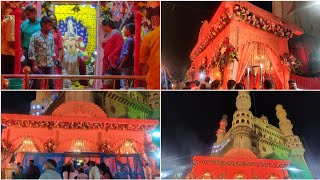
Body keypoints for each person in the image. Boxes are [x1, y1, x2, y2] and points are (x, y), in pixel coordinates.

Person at [28, 16, 55, 89]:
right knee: (37, 85)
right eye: (49, 25)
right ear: (43, 25)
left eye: (51, 25)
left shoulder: (51, 36)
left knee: (52, 84)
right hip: (39, 65)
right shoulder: (35, 36)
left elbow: (52, 50)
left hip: (50, 64)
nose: (51, 27)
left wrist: (54, 63)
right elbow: (31, 51)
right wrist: (34, 65)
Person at [140, 6, 160, 89]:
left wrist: (146, 79)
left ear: (155, 18)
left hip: (154, 83)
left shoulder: (149, 36)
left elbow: (142, 62)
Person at [101, 18, 124, 89]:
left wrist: (110, 57)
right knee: (107, 81)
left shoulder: (117, 34)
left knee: (111, 83)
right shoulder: (109, 35)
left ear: (107, 25)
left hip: (111, 63)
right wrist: (102, 43)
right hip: (107, 62)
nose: (102, 28)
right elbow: (107, 48)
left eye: (103, 26)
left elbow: (119, 47)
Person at [21, 5, 41, 72]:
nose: (27, 17)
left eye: (29, 15)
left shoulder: (42, 23)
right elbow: (20, 38)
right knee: (26, 71)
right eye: (26, 15)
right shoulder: (23, 25)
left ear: (35, 12)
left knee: (38, 73)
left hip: (40, 51)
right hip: (27, 51)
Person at [116, 23, 135, 89]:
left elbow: (126, 55)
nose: (123, 31)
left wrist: (121, 65)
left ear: (128, 30)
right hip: (128, 65)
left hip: (126, 65)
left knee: (124, 83)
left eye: (124, 29)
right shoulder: (131, 40)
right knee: (126, 82)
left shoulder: (129, 40)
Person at [49, 14, 63, 89]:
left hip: (56, 54)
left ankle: (57, 89)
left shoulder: (57, 31)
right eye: (50, 19)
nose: (52, 21)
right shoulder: (45, 31)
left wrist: (60, 57)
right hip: (47, 55)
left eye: (54, 19)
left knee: (56, 73)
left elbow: (60, 46)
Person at [1, 5, 15, 74]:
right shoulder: (10, 19)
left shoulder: (5, 19)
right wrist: (18, 49)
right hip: (9, 52)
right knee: (8, 78)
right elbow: (11, 40)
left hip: (3, 51)